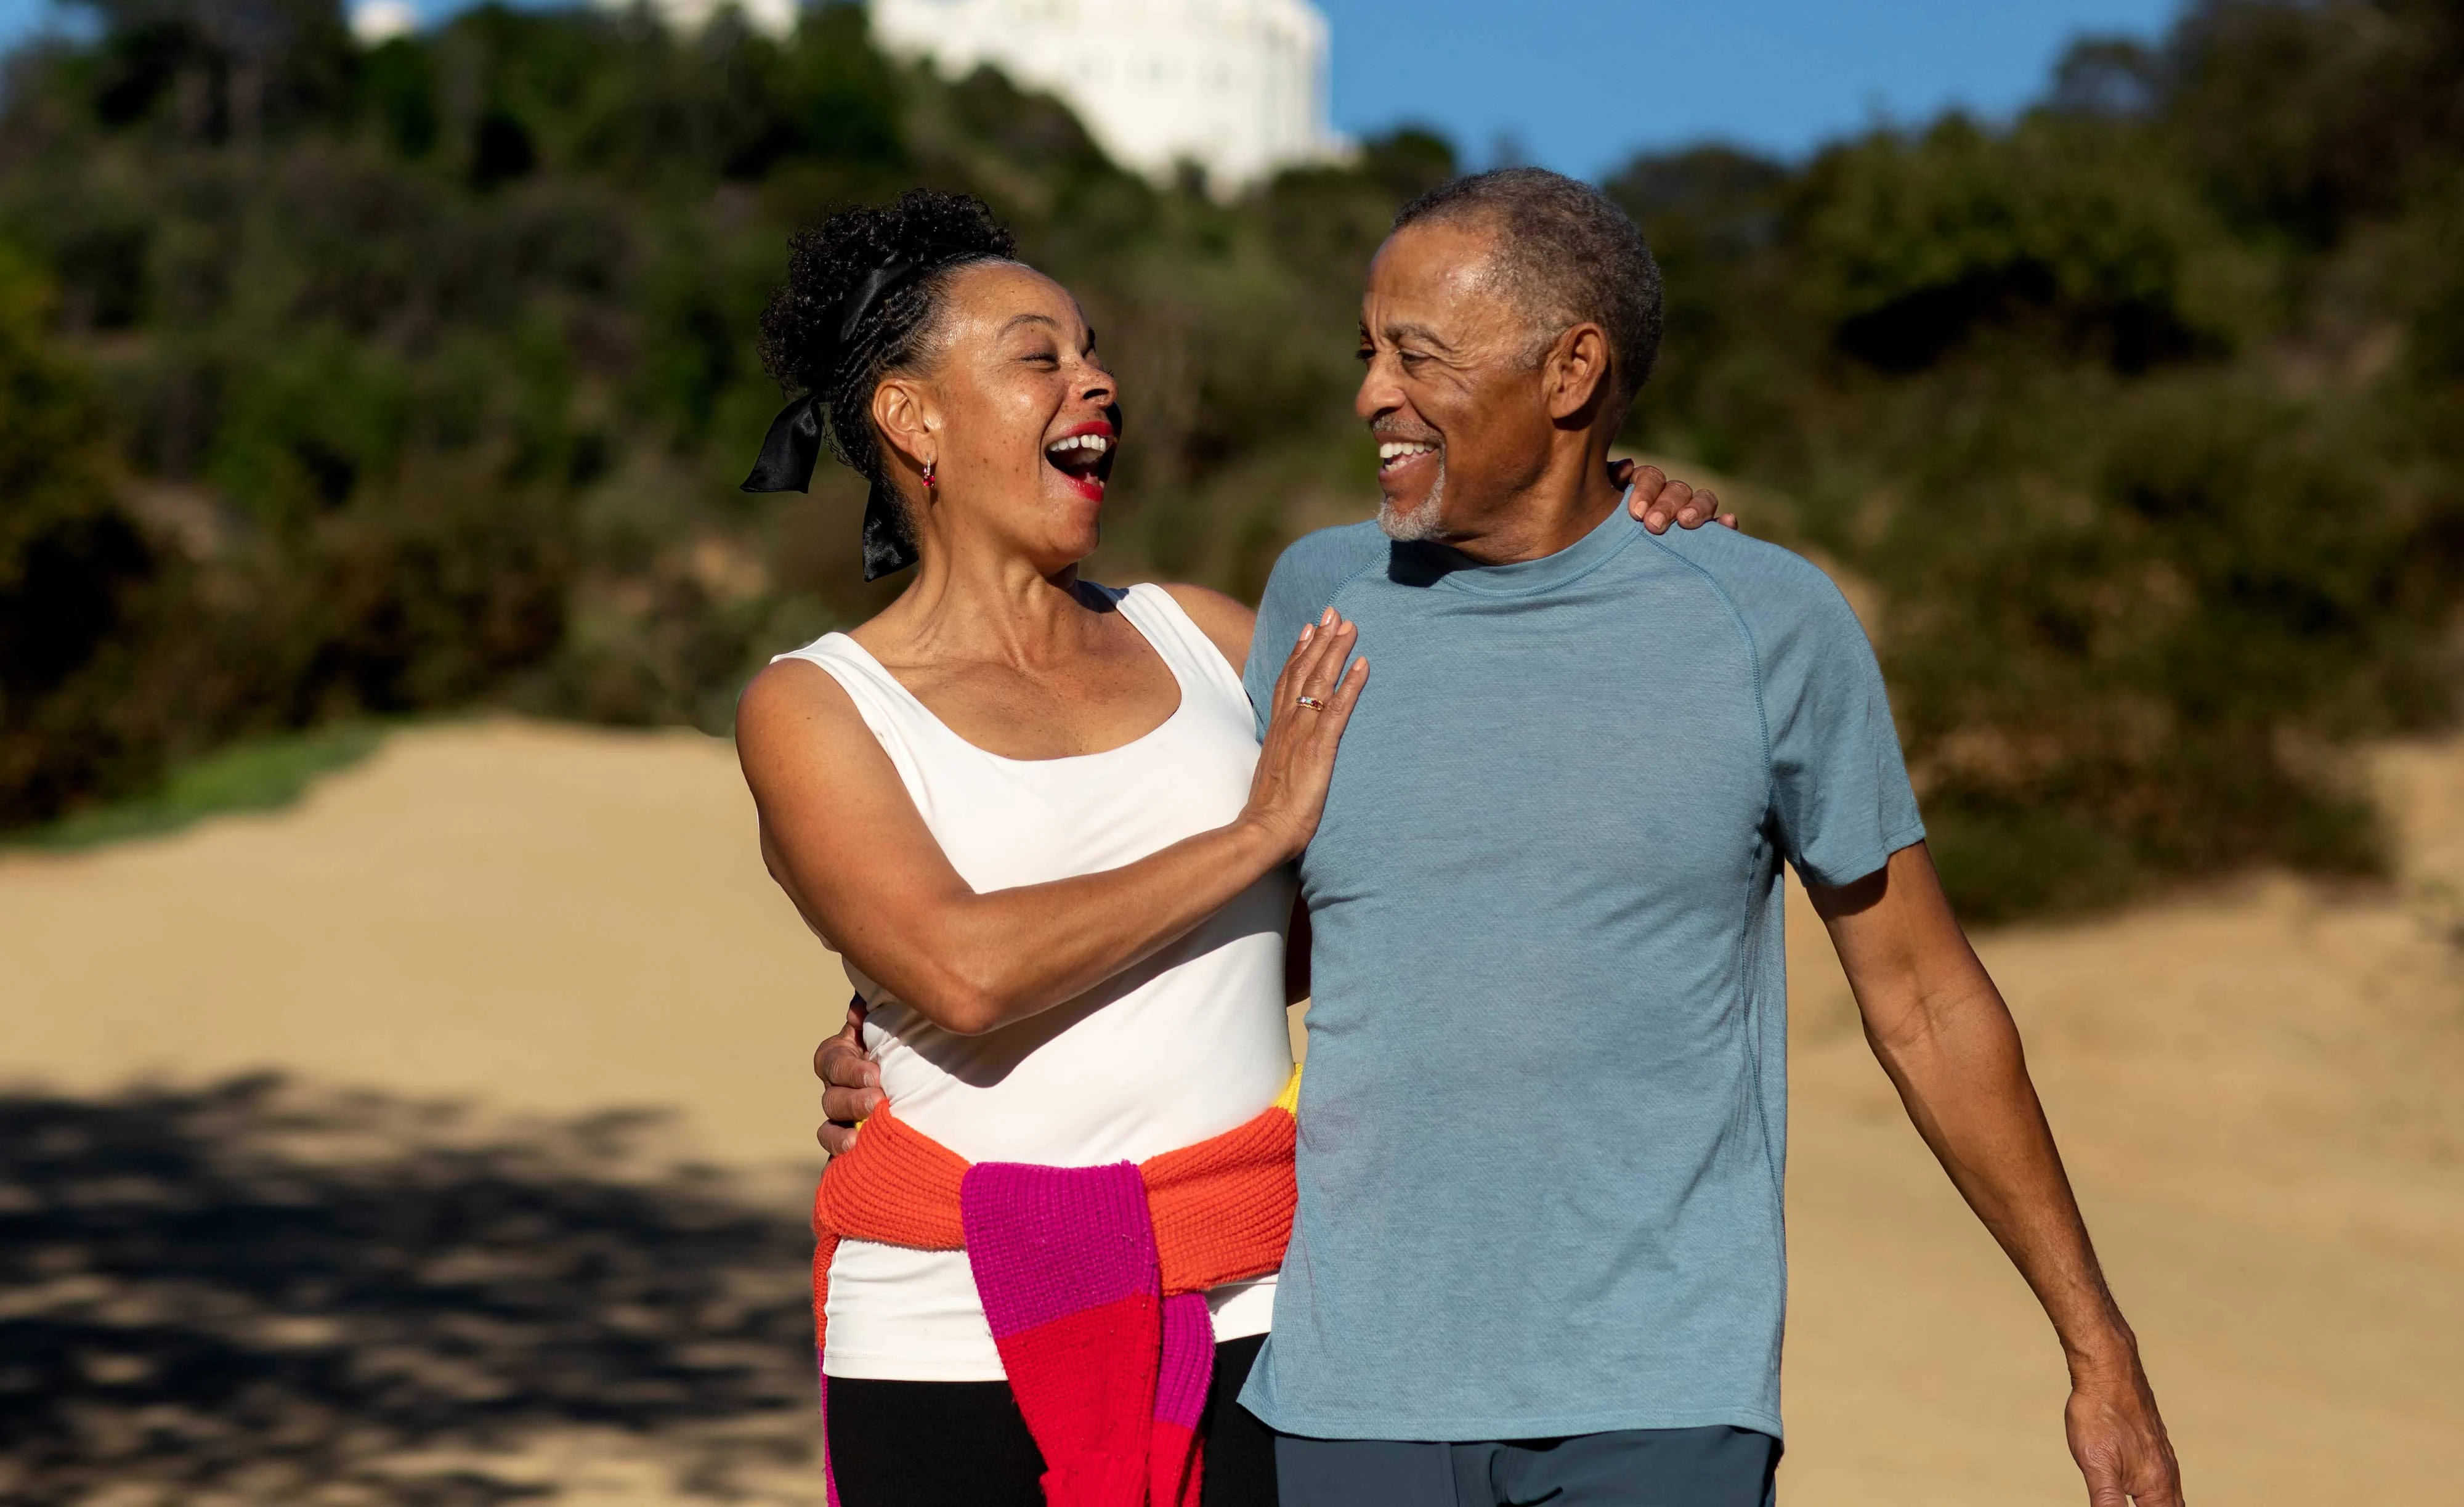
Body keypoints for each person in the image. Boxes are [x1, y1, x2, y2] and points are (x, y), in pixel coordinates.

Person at [819, 169, 2187, 1507]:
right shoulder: (1313, 600)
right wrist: (900, 1044)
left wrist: (2094, 1342)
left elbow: (1929, 1001)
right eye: (1365, 353)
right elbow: (1215, 925)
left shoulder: (1763, 621)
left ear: (1570, 370)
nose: (1368, 395)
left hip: (1656, 1396)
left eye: (1415, 355)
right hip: (1339, 1399)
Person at [737, 189, 1728, 1507]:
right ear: (912, 419)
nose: (1096, 379)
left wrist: (1602, 514)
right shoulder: (813, 703)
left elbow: (1433, 831)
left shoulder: (1203, 634)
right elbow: (963, 969)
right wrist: (1256, 829)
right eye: (1039, 355)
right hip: (943, 1339)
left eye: (1091, 349)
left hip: (1265, 1311)